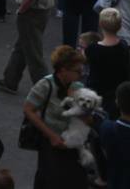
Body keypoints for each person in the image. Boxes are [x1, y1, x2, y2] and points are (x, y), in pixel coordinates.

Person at [20, 45, 87, 189]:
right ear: (63, 70)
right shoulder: (45, 85)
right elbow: (28, 109)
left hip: (72, 143)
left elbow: (85, 117)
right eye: (78, 71)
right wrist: (51, 136)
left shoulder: (78, 87)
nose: (81, 74)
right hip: (50, 142)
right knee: (49, 180)